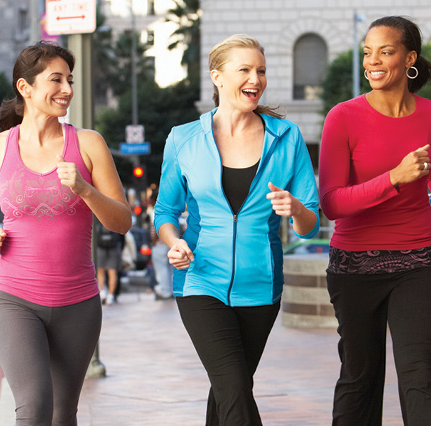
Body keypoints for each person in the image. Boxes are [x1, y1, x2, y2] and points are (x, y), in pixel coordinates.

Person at [318, 16, 431, 426]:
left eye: (386, 51)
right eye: (367, 52)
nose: (373, 61)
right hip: (354, 264)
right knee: (360, 376)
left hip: (418, 260)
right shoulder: (343, 117)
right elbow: (332, 203)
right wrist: (393, 178)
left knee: (421, 374)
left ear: (409, 58)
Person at [154, 34, 320, 425]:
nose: (256, 78)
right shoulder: (184, 139)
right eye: (244, 69)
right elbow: (165, 210)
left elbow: (310, 224)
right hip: (199, 281)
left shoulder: (287, 137)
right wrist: (173, 241)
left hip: (261, 286)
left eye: (260, 70)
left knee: (231, 390)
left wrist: (295, 209)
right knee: (233, 388)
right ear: (218, 77)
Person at [0, 41, 131, 425]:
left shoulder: (88, 144)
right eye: (56, 79)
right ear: (25, 88)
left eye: (69, 80)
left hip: (78, 303)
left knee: (61, 414)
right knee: (34, 406)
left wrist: (85, 190)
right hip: (14, 298)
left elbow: (121, 221)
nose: (67, 89)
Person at [148, 190, 174, 300]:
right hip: (168, 243)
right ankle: (170, 290)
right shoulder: (168, 209)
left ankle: (166, 292)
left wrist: (154, 241)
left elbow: (156, 228)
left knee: (161, 268)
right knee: (169, 269)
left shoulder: (155, 211)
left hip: (160, 244)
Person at [95, 220, 123, 304]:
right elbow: (122, 235)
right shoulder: (114, 217)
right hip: (114, 247)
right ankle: (110, 296)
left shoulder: (98, 218)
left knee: (100, 270)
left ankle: (102, 293)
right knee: (113, 271)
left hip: (101, 247)